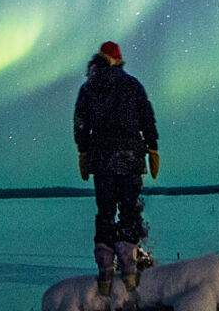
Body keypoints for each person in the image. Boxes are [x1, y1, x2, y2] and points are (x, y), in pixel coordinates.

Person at [73, 40, 160, 295]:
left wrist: (84, 151)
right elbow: (147, 117)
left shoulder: (89, 88)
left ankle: (105, 275)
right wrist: (152, 147)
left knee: (105, 214)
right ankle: (130, 274)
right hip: (131, 157)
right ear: (118, 60)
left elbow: (80, 123)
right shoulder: (132, 85)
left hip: (101, 160)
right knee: (130, 212)